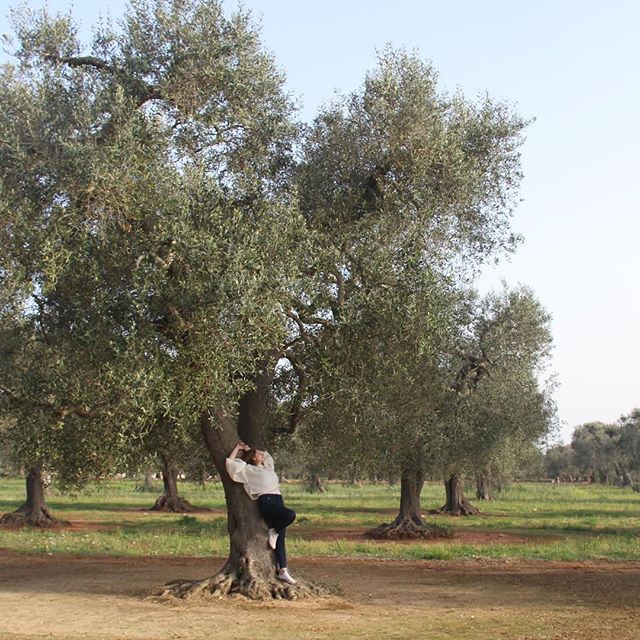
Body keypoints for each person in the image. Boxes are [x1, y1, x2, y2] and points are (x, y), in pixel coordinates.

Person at [225, 442, 297, 585]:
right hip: (266, 501)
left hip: (278, 501)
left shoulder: (268, 468)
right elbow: (230, 465)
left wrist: (251, 448)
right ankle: (274, 531)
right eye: (258, 453)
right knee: (290, 515)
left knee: (280, 540)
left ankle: (283, 571)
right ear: (253, 458)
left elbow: (268, 456)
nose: (262, 454)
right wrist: (238, 448)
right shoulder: (248, 470)